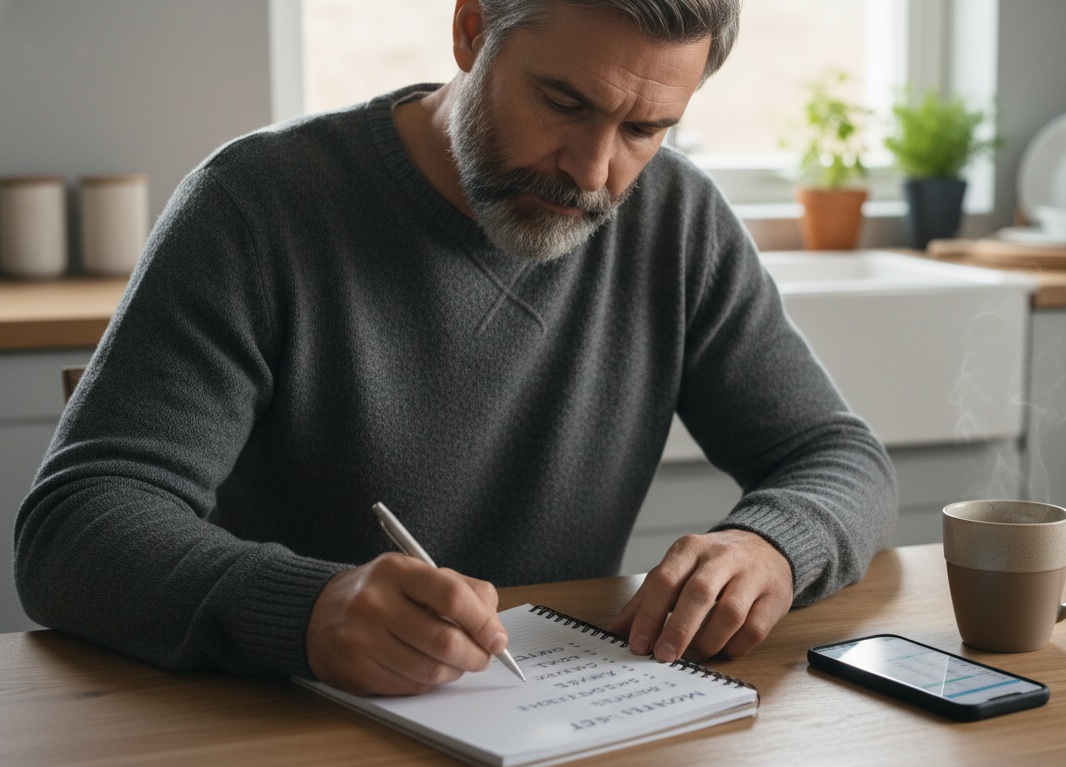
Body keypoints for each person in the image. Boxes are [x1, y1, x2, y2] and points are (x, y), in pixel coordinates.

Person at [15, 0, 897, 696]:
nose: (593, 174)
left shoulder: (678, 221)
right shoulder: (255, 207)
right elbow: (75, 528)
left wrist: (771, 547)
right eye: (564, 103)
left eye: (644, 130)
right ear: (472, 31)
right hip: (276, 722)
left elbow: (836, 456)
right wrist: (309, 612)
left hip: (557, 721)